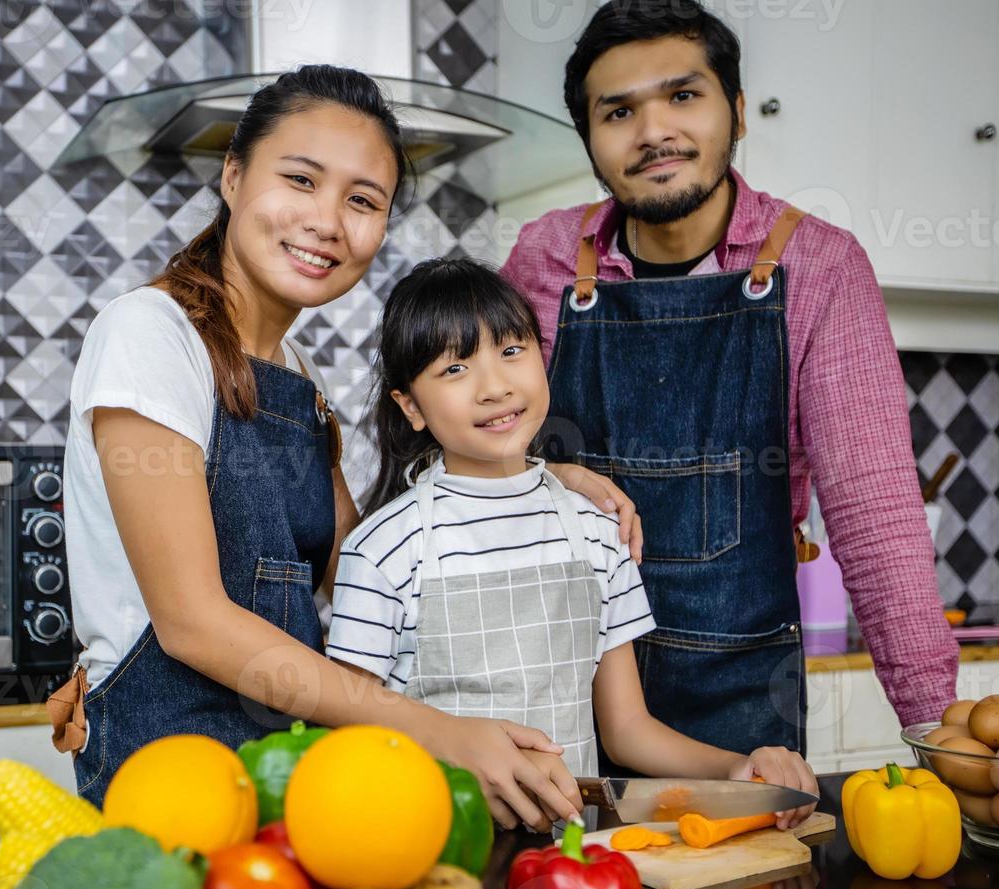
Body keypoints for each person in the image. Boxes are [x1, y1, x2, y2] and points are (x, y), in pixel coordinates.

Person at [52, 65, 640, 829]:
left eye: (362, 201)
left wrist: (527, 479)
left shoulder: (298, 375)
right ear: (233, 177)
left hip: (292, 774)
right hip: (171, 778)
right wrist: (437, 730)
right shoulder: (149, 335)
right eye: (300, 180)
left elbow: (362, 560)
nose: (329, 222)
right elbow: (192, 621)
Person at [500, 0, 957, 773]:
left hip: (741, 700)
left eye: (683, 96)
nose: (653, 133)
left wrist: (937, 731)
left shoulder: (820, 267)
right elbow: (468, 445)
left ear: (737, 111)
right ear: (590, 138)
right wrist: (545, 472)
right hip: (556, 686)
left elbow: (874, 512)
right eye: (618, 111)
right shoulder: (543, 259)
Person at [327, 257, 817, 830]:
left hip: (574, 858)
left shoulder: (595, 531)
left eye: (512, 351)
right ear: (410, 406)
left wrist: (737, 769)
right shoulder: (381, 549)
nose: (496, 387)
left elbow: (627, 730)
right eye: (455, 369)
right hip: (426, 849)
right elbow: (348, 728)